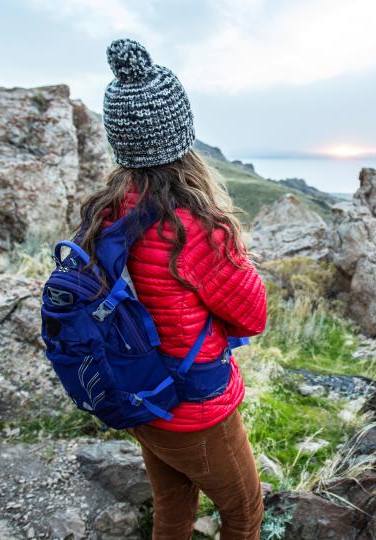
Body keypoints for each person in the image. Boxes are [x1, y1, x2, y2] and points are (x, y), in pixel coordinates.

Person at [75, 38, 267, 539]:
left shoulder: (105, 213)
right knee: (245, 514)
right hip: (195, 410)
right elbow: (251, 316)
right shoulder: (198, 228)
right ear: (181, 134)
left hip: (140, 393)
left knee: (173, 508)